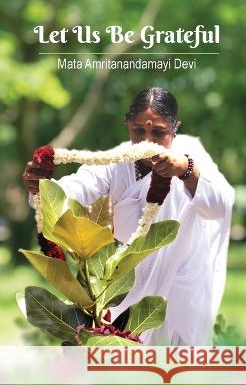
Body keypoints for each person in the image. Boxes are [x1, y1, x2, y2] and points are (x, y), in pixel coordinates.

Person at [23, 87, 235, 346]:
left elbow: (219, 206)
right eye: (139, 130)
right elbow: (73, 190)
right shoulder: (115, 162)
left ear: (175, 127)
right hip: (129, 288)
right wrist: (40, 187)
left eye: (159, 133)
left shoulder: (191, 154)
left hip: (183, 287)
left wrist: (186, 170)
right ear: (127, 124)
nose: (148, 141)